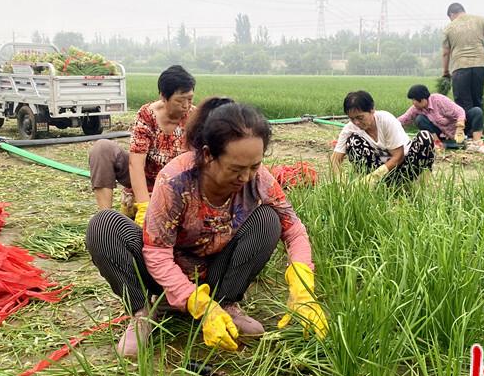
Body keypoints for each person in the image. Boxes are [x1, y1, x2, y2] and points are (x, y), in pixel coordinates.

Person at [86, 97, 327, 356]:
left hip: (215, 270)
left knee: (269, 219)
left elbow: (293, 229)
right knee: (104, 226)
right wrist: (199, 304)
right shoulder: (175, 180)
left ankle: (225, 305)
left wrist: (303, 287)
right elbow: (157, 254)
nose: (245, 177)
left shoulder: (259, 180)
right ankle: (142, 313)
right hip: (166, 273)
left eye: (254, 166)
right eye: (235, 169)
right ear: (208, 155)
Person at [88, 65, 195, 226]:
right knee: (102, 149)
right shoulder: (147, 115)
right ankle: (106, 220)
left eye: (190, 99)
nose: (186, 106)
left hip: (176, 183)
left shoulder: (195, 118)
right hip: (145, 176)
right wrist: (144, 207)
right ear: (163, 97)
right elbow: (136, 164)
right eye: (180, 100)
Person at [330, 91, 434, 185]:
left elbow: (399, 157)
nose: (356, 122)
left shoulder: (386, 120)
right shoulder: (350, 129)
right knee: (353, 142)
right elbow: (335, 159)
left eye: (360, 117)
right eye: (352, 119)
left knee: (425, 137)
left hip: (406, 164)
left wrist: (375, 176)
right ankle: (372, 185)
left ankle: (417, 184)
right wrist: (340, 183)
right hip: (382, 167)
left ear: (372, 110)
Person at [442, 3, 484, 113]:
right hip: (479, 67)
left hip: (460, 68)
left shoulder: (448, 28)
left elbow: (445, 53)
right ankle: (479, 129)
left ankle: (466, 129)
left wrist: (446, 72)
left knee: (462, 102)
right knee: (478, 100)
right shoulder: (480, 20)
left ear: (451, 14)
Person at [397, 84, 484, 155]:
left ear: (422, 99)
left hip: (459, 130)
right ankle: (437, 144)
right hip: (442, 133)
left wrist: (459, 128)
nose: (413, 103)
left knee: (477, 111)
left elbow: (460, 111)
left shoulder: (438, 100)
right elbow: (404, 118)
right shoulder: (416, 108)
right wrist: (389, 122)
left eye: (414, 100)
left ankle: (477, 144)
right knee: (419, 119)